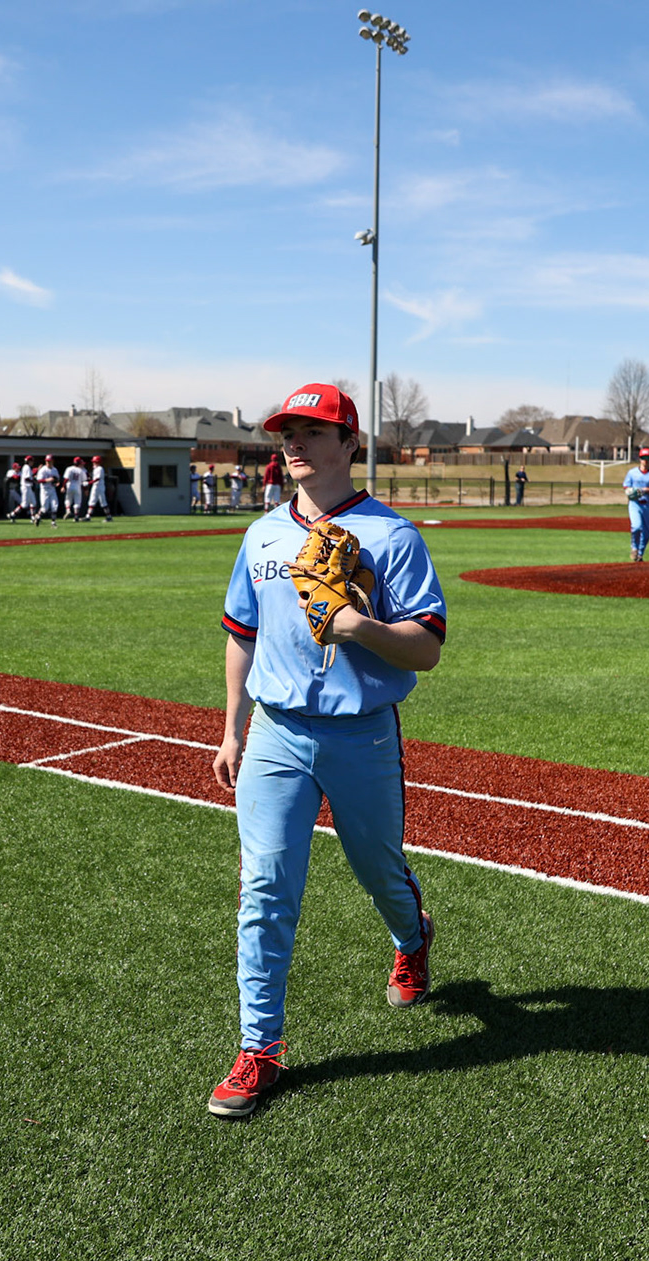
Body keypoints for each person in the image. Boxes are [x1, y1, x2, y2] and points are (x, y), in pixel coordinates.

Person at [206, 382, 448, 1119]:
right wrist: (231, 727)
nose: (294, 444)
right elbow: (240, 636)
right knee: (266, 888)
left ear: (348, 444)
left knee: (378, 869)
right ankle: (259, 1050)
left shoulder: (393, 536)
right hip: (278, 734)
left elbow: (427, 649)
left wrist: (357, 627)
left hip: (361, 734)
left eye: (312, 431)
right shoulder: (261, 536)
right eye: (287, 431)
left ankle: (413, 936)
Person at [623, 447, 649, 562]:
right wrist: (633, 492)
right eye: (643, 458)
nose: (645, 460)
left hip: (647, 505)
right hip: (635, 504)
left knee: (647, 533)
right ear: (639, 459)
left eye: (647, 458)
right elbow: (626, 488)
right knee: (636, 527)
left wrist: (646, 490)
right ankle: (634, 548)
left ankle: (640, 555)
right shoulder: (632, 473)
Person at [34, 454, 61, 527]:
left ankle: (53, 523)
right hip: (44, 490)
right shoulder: (43, 469)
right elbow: (38, 481)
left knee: (55, 505)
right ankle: (38, 516)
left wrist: (57, 483)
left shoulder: (54, 469)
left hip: (52, 489)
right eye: (47, 461)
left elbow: (57, 479)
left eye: (50, 461)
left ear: (52, 461)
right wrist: (48, 480)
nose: (48, 462)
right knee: (45, 508)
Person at [63, 456, 88, 522]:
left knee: (68, 500)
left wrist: (63, 486)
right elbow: (84, 482)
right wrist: (85, 490)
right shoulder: (81, 470)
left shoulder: (69, 469)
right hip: (77, 487)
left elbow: (66, 479)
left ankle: (68, 510)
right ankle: (76, 516)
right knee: (77, 502)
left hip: (69, 486)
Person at [87, 456, 112, 522]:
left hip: (99, 486)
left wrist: (89, 483)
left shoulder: (100, 468)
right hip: (95, 486)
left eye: (94, 462)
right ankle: (88, 516)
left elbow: (97, 478)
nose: (93, 463)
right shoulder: (95, 468)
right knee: (92, 501)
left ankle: (109, 517)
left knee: (103, 502)